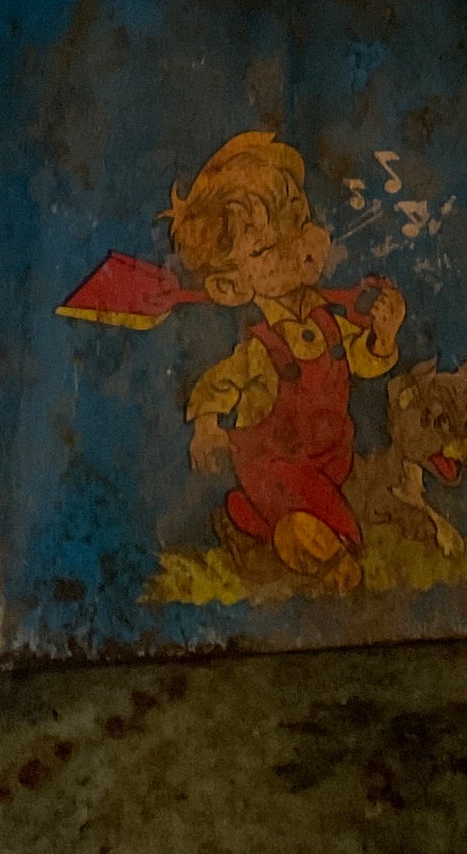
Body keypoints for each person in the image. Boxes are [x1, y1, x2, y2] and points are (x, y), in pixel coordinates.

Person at [169, 132, 404, 595]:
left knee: (310, 505)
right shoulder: (260, 348)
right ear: (230, 287)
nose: (296, 246)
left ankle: (252, 526)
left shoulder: (330, 323)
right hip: (275, 470)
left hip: (330, 458)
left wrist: (384, 335)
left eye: (299, 221)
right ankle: (338, 552)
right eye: (264, 249)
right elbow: (219, 384)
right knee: (301, 512)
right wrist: (208, 428)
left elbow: (364, 360)